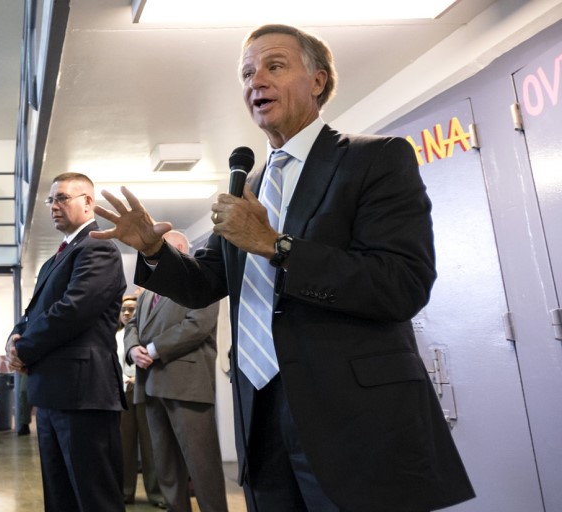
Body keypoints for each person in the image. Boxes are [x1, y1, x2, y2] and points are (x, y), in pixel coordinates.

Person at [92, 24, 475, 512]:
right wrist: (152, 252)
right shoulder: (246, 186)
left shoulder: (375, 159)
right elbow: (205, 281)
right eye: (248, 73)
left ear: (318, 81)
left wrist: (278, 246)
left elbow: (402, 284)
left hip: (351, 419)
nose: (256, 82)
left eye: (274, 66)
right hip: (260, 411)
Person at [6, 172, 127, 512]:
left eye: (62, 198)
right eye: (51, 200)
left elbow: (71, 312)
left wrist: (24, 349)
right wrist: (13, 339)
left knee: (94, 498)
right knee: (60, 498)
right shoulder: (54, 258)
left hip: (83, 394)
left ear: (88, 202)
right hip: (52, 393)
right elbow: (32, 313)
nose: (53, 206)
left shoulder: (98, 247)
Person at [125, 231, 227, 512]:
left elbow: (197, 325)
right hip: (150, 385)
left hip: (187, 386)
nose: (159, 257)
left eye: (165, 250)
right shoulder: (148, 290)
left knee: (201, 465)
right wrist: (134, 349)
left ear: (182, 251)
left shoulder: (200, 282)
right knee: (166, 467)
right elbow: (132, 324)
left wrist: (154, 349)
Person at [116, 294, 165, 508]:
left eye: (132, 309)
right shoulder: (113, 336)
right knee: (124, 445)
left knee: (150, 445)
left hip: (145, 389)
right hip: (121, 392)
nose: (127, 313)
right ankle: (125, 492)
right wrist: (125, 379)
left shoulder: (147, 334)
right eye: (123, 309)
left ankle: (156, 494)